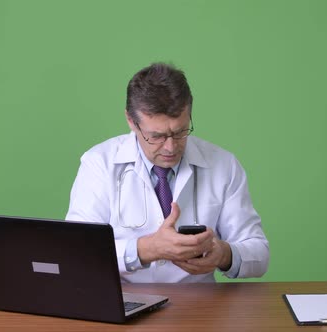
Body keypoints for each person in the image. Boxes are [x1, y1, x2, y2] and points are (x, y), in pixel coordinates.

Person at [66, 63, 269, 283]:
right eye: (156, 136)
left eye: (181, 131)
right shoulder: (99, 164)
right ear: (131, 122)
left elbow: (259, 254)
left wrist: (224, 255)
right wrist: (147, 249)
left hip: (200, 307)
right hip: (124, 303)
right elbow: (77, 253)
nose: (170, 148)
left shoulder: (223, 164)